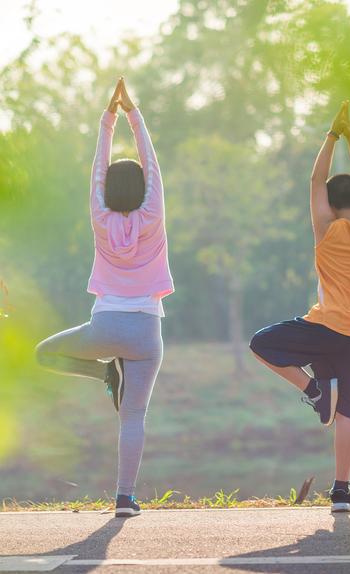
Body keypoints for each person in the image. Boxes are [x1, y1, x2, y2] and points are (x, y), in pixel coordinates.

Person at [35, 78, 173, 517]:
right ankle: (125, 499)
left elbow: (98, 168)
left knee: (43, 355)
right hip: (147, 334)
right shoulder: (153, 216)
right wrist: (134, 113)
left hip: (105, 327)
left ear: (108, 192)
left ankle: (103, 376)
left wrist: (107, 120)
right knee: (134, 417)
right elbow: (152, 167)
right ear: (145, 193)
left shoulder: (99, 217)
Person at [249, 101, 350, 513]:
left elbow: (314, 179)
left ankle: (312, 389)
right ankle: (341, 492)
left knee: (261, 344)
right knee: (349, 412)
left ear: (328, 202)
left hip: (322, 329)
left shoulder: (324, 230)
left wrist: (332, 134)